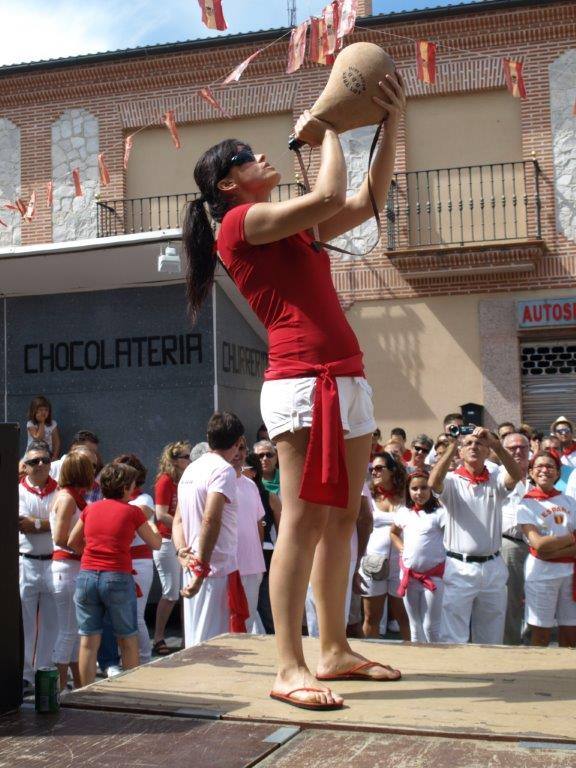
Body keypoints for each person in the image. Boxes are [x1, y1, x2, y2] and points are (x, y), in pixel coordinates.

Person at [181, 71, 405, 710]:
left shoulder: (289, 228)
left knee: (342, 518)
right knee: (304, 523)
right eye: (249, 156)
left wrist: (390, 124)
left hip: (345, 375)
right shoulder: (241, 224)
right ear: (230, 185)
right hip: (303, 383)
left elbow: (363, 198)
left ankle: (332, 652)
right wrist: (329, 125)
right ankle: (288, 666)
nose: (264, 156)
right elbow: (331, 188)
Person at [68, 463, 161, 686]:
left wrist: (92, 552)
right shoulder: (133, 512)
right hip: (117, 576)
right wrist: (153, 526)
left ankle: (84, 695)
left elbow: (72, 541)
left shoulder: (91, 508)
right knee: (127, 639)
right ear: (126, 486)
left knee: (88, 641)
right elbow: (155, 543)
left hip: (87, 575)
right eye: (132, 484)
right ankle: (129, 694)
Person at [429, 427, 522, 644]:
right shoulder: (451, 480)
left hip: (493, 566)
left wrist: (497, 444)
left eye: (479, 443)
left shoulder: (496, 479)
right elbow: (433, 483)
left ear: (486, 450)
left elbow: (517, 475)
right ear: (460, 453)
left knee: (492, 634)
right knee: (453, 635)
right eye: (468, 443)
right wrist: (452, 445)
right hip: (459, 566)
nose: (474, 447)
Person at [172, 412, 247, 646]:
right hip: (213, 569)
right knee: (213, 644)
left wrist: (181, 552)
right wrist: (201, 568)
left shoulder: (191, 469)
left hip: (198, 566)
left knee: (197, 640)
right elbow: (210, 519)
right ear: (237, 443)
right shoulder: (223, 470)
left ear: (208, 437)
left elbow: (179, 521)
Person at [517, 450, 576, 647]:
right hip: (541, 574)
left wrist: (551, 549)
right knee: (541, 633)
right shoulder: (526, 504)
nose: (544, 470)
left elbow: (545, 547)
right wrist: (572, 538)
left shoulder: (569, 502)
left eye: (550, 466)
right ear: (531, 472)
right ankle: (539, 675)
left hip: (570, 573)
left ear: (558, 473)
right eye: (539, 466)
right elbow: (538, 545)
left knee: (571, 633)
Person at [50, 452, 95, 690]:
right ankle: (57, 690)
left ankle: (77, 687)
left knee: (74, 633)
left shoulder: (68, 496)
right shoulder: (67, 498)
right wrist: (85, 548)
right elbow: (59, 537)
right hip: (67, 568)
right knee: (68, 632)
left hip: (70, 568)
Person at [19, 443, 59, 691]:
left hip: (53, 562)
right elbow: (20, 523)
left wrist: (40, 524)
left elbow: (61, 523)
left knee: (51, 623)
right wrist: (48, 523)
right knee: (25, 623)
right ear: (26, 465)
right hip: (27, 562)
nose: (41, 465)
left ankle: (44, 670)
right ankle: (25, 674)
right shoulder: (18, 490)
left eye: (45, 460)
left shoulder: (60, 491)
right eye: (35, 461)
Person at [359, 452, 409, 641]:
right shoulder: (367, 495)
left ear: (393, 470)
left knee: (403, 617)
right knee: (372, 617)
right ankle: (371, 657)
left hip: (401, 564)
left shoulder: (406, 495)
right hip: (373, 563)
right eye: (372, 469)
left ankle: (414, 656)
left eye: (380, 468)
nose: (374, 472)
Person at [390, 472, 446, 642]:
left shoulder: (440, 513)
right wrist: (401, 547)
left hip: (433, 578)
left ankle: (437, 660)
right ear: (408, 490)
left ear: (431, 490)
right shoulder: (404, 512)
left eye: (424, 488)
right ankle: (419, 658)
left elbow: (451, 538)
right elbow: (393, 533)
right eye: (414, 488)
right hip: (409, 576)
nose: (419, 492)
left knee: (431, 626)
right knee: (414, 625)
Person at [114, 453, 158, 666]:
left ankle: (144, 659)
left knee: (135, 614)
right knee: (117, 615)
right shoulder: (112, 500)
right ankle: (124, 659)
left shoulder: (144, 499)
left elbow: (130, 518)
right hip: (117, 562)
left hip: (139, 562)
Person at [152, 441, 191, 655]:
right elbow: (161, 514)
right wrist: (182, 526)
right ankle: (158, 637)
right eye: (185, 457)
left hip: (182, 542)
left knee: (186, 593)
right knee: (170, 593)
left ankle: (189, 638)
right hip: (167, 542)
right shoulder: (165, 481)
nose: (189, 460)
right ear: (175, 460)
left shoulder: (185, 480)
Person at [242, 451, 281, 634]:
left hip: (264, 556)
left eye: (243, 468)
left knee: (265, 605)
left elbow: (282, 530)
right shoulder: (231, 492)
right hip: (240, 559)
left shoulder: (269, 497)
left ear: (253, 472)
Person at [232, 438, 266, 634]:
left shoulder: (251, 486)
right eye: (234, 447)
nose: (238, 452)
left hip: (252, 567)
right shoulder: (215, 481)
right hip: (227, 568)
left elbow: (258, 523)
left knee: (248, 622)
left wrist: (257, 555)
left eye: (242, 448)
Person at [499, 432, 530, 645]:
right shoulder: (497, 475)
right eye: (512, 448)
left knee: (536, 601)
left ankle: (533, 645)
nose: (518, 451)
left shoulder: (541, 473)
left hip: (542, 548)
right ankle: (511, 645)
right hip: (510, 543)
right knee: (511, 600)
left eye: (523, 447)